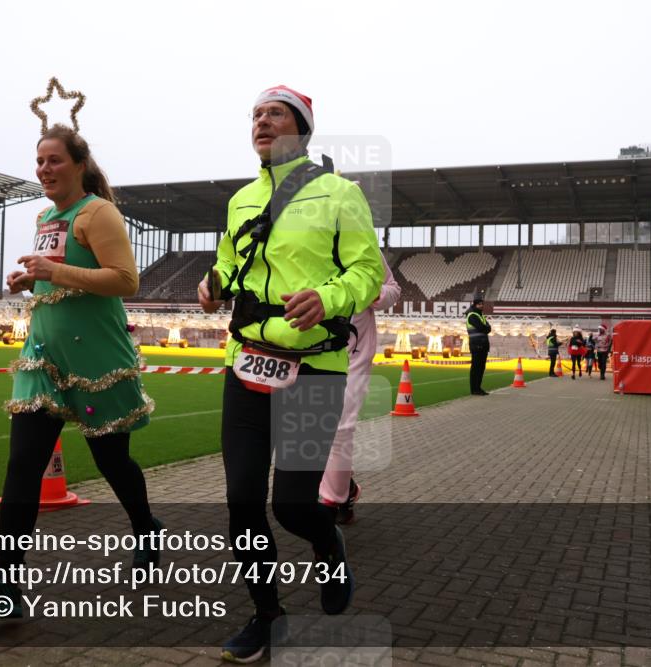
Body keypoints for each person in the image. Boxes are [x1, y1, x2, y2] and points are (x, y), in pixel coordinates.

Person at [197, 85, 383, 662]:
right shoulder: (240, 201)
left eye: (274, 114)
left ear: (301, 127)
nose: (262, 122)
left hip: (314, 369)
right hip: (246, 363)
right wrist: (212, 284)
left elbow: (368, 271)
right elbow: (229, 263)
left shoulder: (339, 193)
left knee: (293, 506)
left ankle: (327, 544)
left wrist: (328, 299)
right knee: (242, 500)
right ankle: (268, 615)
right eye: (255, 114)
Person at [0, 123, 158, 617]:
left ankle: (147, 529)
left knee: (112, 461)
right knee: (23, 465)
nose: (44, 169)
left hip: (95, 359)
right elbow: (56, 281)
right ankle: (7, 583)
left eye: (54, 160)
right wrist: (29, 282)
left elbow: (125, 281)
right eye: (39, 161)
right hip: (44, 357)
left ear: (79, 164)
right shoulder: (46, 216)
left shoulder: (99, 213)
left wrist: (54, 272)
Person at [320, 255, 401, 525]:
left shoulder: (364, 246)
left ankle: (329, 506)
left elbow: (393, 289)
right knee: (316, 430)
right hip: (312, 352)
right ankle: (346, 490)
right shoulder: (305, 245)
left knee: (340, 427)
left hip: (354, 354)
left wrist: (375, 293)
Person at [465, 294, 491, 395]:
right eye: (479, 304)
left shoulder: (480, 315)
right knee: (476, 368)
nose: (481, 306)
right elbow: (483, 328)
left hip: (483, 345)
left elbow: (488, 328)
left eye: (482, 304)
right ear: (475, 305)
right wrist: (486, 328)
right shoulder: (472, 315)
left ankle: (478, 388)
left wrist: (486, 328)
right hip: (476, 345)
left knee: (481, 368)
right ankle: (475, 389)